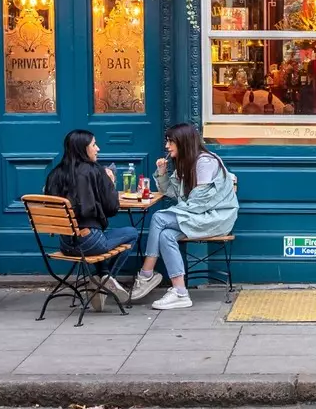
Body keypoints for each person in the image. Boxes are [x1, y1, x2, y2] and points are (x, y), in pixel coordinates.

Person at [127, 123, 238, 311]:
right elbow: (172, 192)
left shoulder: (205, 162)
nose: (167, 146)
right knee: (165, 235)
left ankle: (146, 274)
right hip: (198, 216)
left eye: (171, 142)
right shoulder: (185, 163)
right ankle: (180, 292)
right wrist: (162, 174)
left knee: (159, 218)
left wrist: (175, 211)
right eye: (167, 141)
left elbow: (199, 203)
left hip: (215, 218)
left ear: (184, 142)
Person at [43, 129, 139, 312]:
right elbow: (112, 209)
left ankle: (101, 276)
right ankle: (104, 279)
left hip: (66, 244)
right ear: (82, 148)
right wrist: (109, 182)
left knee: (99, 239)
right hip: (89, 242)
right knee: (131, 232)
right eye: (94, 145)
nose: (98, 149)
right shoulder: (94, 171)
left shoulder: (55, 174)